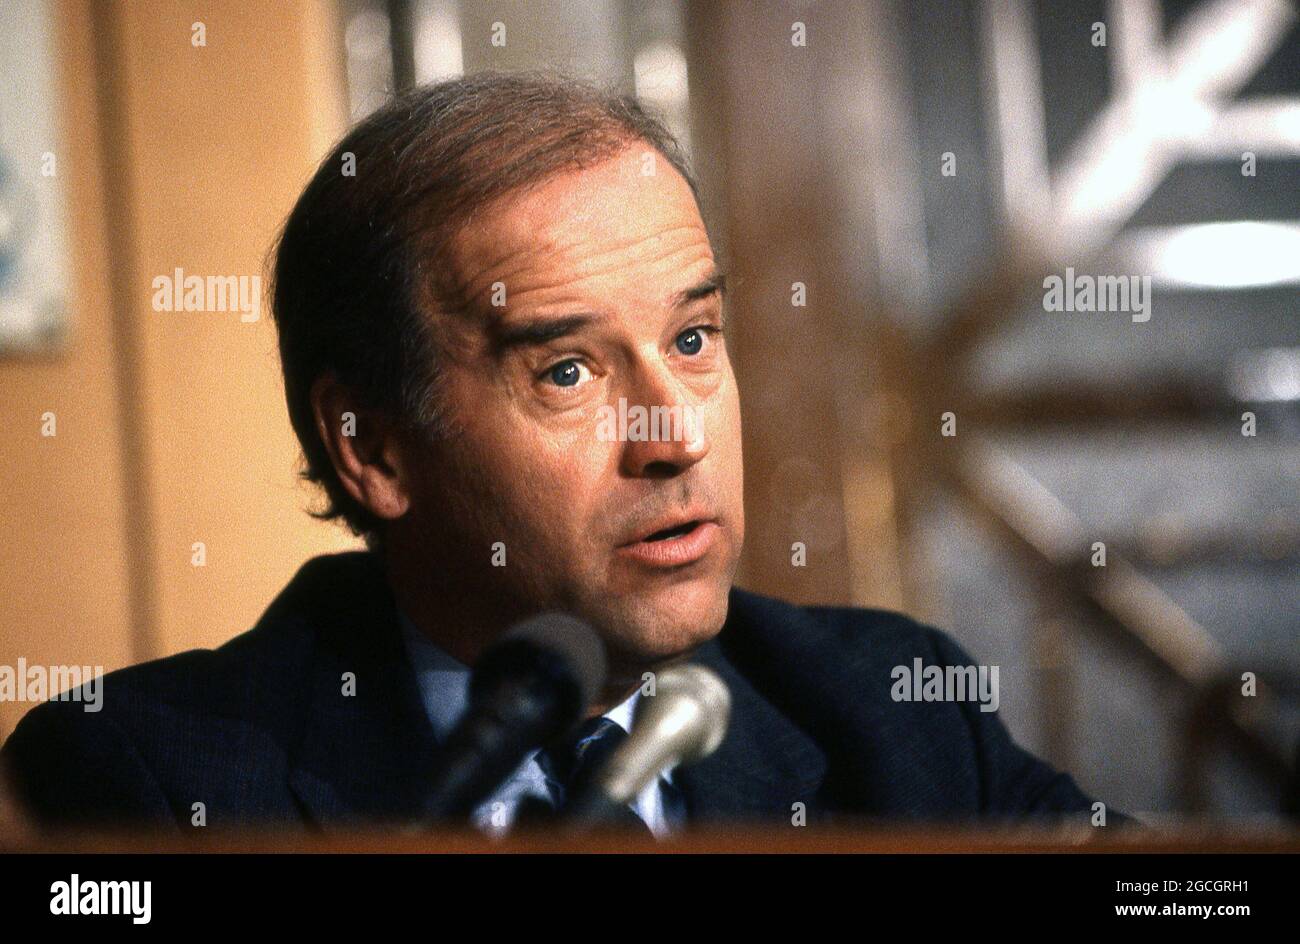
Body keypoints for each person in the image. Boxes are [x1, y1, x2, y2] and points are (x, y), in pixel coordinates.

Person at [1, 71, 1128, 836]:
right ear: (373, 448)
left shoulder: (894, 712)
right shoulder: (148, 784)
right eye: (568, 371)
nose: (676, 432)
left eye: (692, 339)